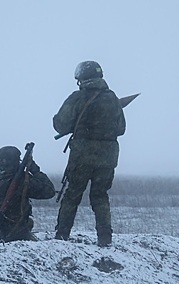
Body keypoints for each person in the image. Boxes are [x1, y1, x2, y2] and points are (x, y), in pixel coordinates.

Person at [53, 61, 126, 247]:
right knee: (100, 196)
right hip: (108, 158)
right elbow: (121, 129)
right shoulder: (112, 98)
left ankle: (61, 236)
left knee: (72, 195)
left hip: (81, 157)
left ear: (81, 78)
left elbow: (60, 124)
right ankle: (105, 239)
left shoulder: (77, 98)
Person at [0, 145, 55, 243]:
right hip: (17, 233)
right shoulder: (20, 182)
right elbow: (49, 191)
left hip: (0, 233)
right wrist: (35, 170)